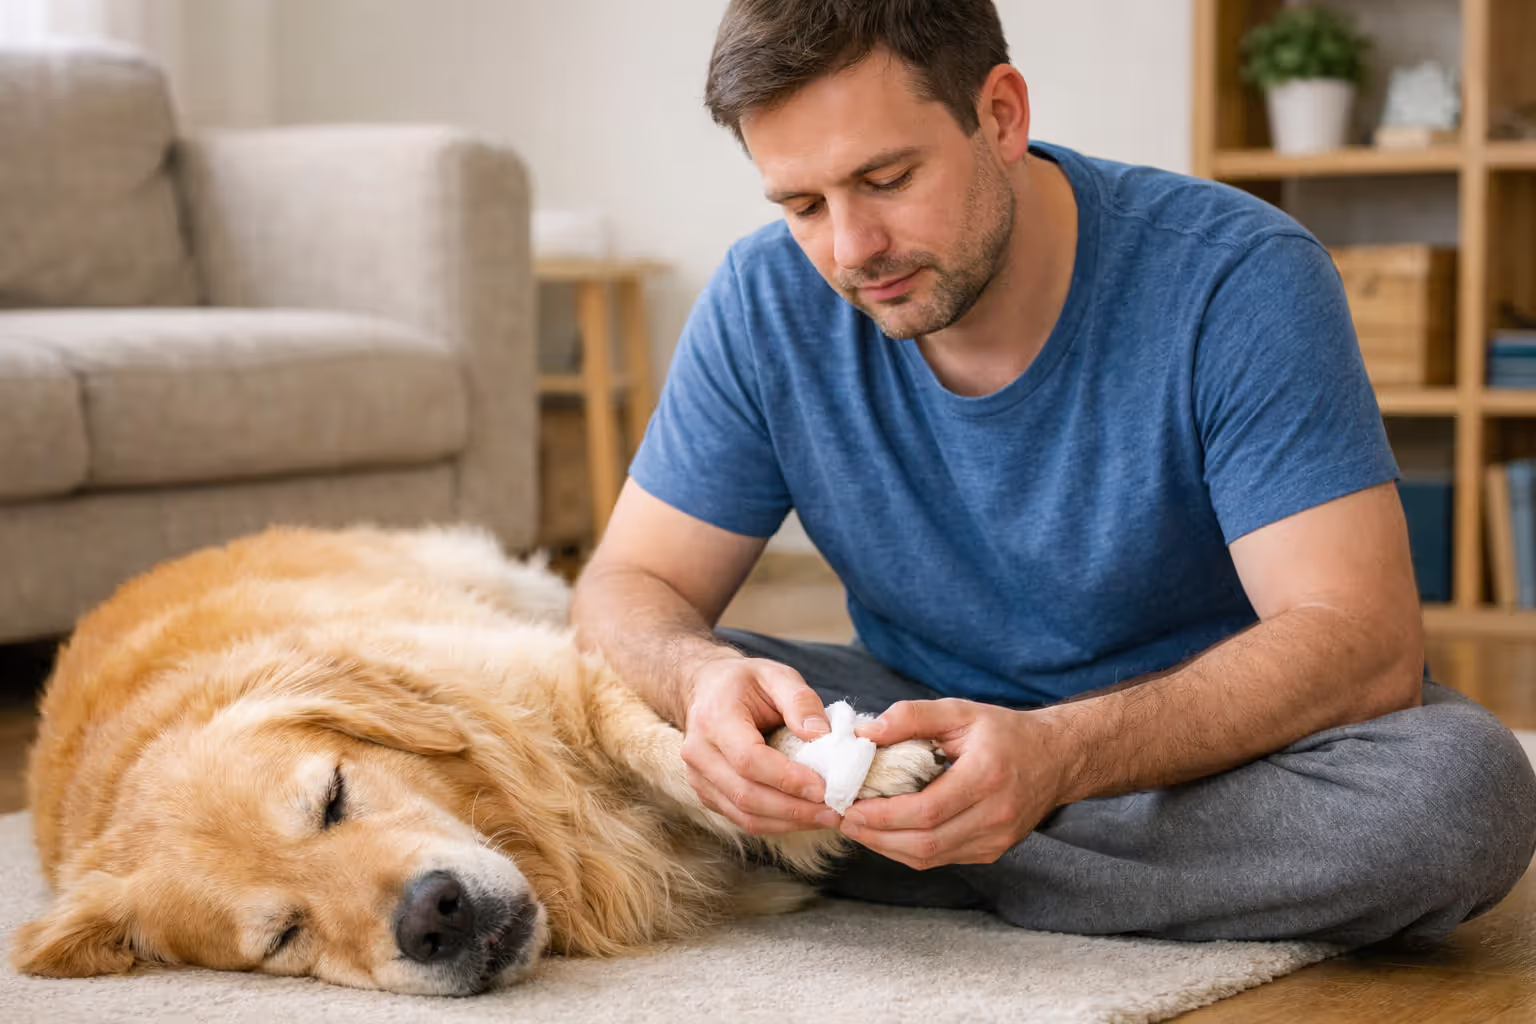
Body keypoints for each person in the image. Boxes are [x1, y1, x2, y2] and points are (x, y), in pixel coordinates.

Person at [569, 0, 1536, 946]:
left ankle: (891, 849)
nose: (851, 249)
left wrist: (1058, 758)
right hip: (912, 721)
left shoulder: (1239, 276)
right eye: (803, 205)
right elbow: (628, 586)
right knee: (606, 708)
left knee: (1455, 795)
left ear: (1001, 116)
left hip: (1199, 755)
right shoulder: (762, 299)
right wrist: (704, 684)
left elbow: (1360, 641)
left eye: (888, 178)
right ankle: (956, 832)